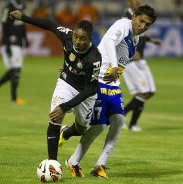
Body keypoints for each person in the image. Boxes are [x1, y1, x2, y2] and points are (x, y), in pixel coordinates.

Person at [60, 5, 157, 178]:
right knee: (98, 126)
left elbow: (121, 61)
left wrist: (116, 72)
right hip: (97, 81)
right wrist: (113, 65)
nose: (142, 26)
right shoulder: (123, 25)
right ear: (134, 16)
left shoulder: (135, 39)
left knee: (118, 121)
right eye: (141, 21)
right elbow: (111, 42)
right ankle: (73, 161)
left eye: (147, 25)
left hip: (112, 84)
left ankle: (100, 165)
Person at [9, 10, 102, 161]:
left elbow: (91, 88)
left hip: (85, 92)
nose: (77, 41)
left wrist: (66, 106)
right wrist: (24, 18)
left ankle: (65, 134)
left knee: (82, 129)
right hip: (66, 82)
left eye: (82, 39)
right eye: (76, 37)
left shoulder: (94, 58)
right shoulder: (67, 36)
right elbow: (50, 25)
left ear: (90, 39)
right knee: (55, 117)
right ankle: (52, 164)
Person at [122, 0, 161, 132]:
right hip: (132, 61)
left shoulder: (140, 16)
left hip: (141, 60)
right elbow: (122, 38)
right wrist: (131, 53)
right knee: (143, 92)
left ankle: (120, 115)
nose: (138, 2)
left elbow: (141, 34)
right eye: (135, 0)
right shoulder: (127, 17)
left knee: (150, 92)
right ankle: (132, 124)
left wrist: (151, 40)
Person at [0, 0, 28, 105]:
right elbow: (5, 25)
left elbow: (22, 24)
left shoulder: (22, 6)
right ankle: (12, 98)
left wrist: (25, 38)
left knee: (15, 71)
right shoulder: (9, 7)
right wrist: (7, 43)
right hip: (11, 42)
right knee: (16, 70)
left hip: (18, 42)